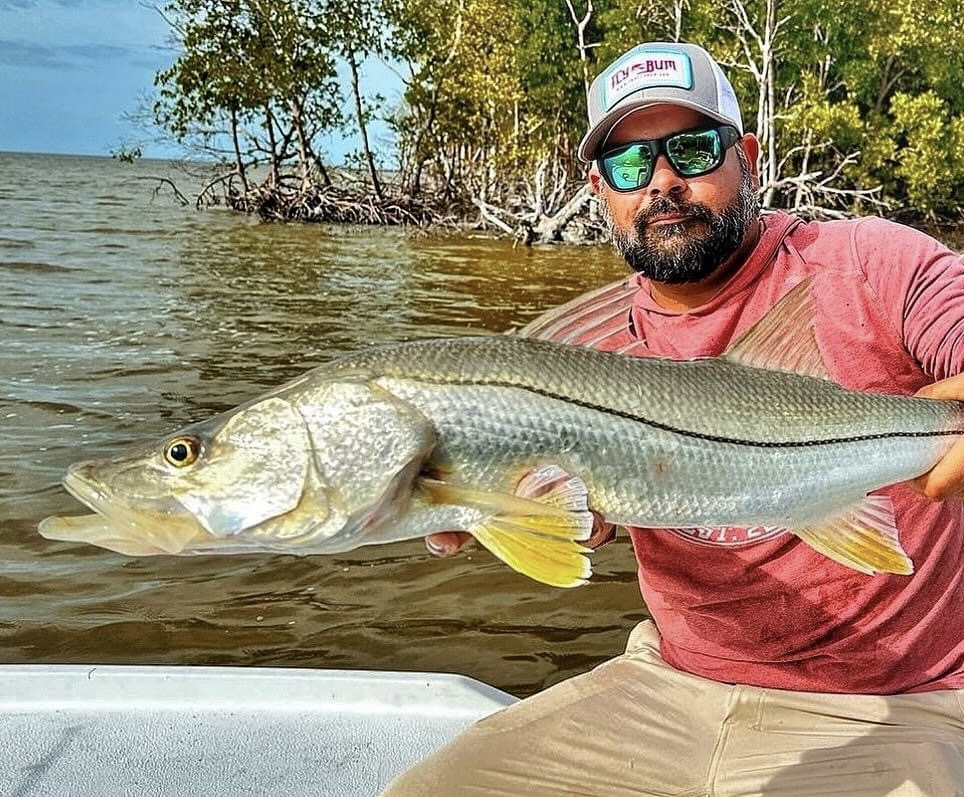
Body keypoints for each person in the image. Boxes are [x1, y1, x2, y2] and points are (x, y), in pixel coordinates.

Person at [383, 41, 964, 796]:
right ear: (600, 188)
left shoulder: (870, 263)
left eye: (690, 149)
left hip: (897, 700)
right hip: (663, 685)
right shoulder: (582, 348)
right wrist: (552, 518)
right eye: (629, 163)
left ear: (744, 157)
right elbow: (588, 519)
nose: (662, 181)